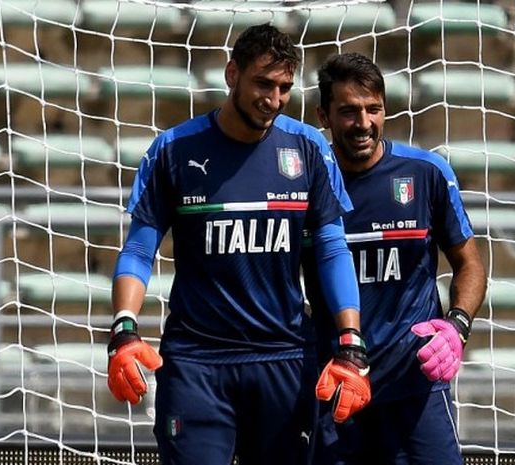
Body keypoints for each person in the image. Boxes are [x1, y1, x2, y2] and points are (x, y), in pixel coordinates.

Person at [105, 25, 371, 465]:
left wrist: (351, 342)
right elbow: (138, 250)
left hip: (283, 356)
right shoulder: (173, 150)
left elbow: (331, 248)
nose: (274, 98)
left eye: (285, 87)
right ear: (232, 74)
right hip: (197, 363)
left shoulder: (307, 148)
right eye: (263, 84)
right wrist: (124, 326)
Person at [303, 52, 486, 465]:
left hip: (414, 382)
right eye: (349, 111)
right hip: (336, 382)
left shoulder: (426, 173)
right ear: (324, 116)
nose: (364, 123)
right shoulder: (307, 183)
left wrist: (457, 326)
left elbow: (470, 263)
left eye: (374, 109)